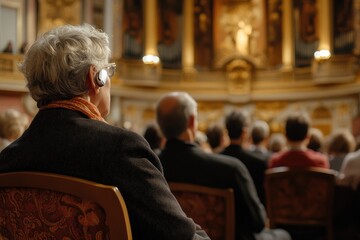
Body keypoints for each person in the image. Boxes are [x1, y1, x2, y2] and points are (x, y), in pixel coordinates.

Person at [0, 24, 210, 240]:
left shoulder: (8, 159)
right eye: (108, 71)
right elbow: (179, 235)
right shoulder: (120, 149)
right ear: (95, 77)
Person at [156, 91, 291, 240]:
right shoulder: (231, 169)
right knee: (284, 235)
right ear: (192, 121)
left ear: (160, 125)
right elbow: (257, 222)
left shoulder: (151, 166)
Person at [221, 110, 268, 206]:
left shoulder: (217, 159)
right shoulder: (259, 163)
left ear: (226, 131)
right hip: (248, 219)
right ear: (245, 132)